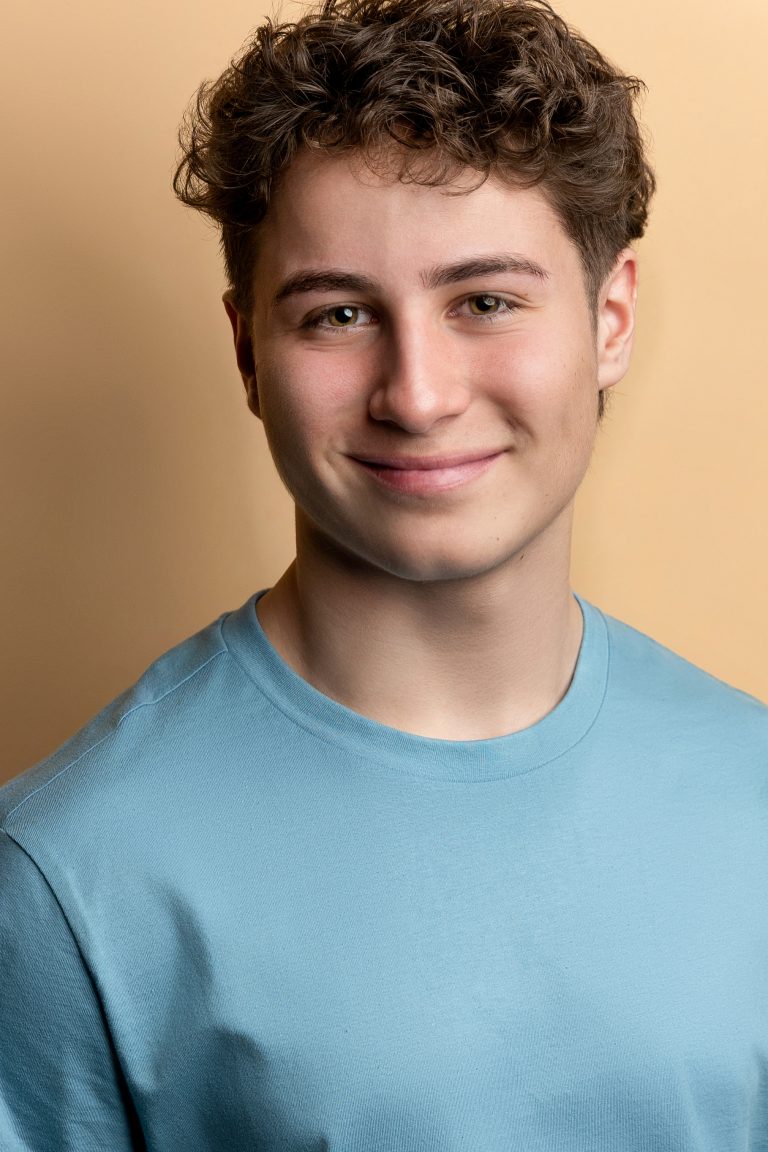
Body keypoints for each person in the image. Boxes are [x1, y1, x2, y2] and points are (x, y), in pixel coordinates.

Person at [1, 0, 765, 1147]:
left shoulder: (751, 793)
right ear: (248, 350)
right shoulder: (71, 871)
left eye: (486, 302)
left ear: (611, 319)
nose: (417, 394)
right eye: (340, 314)